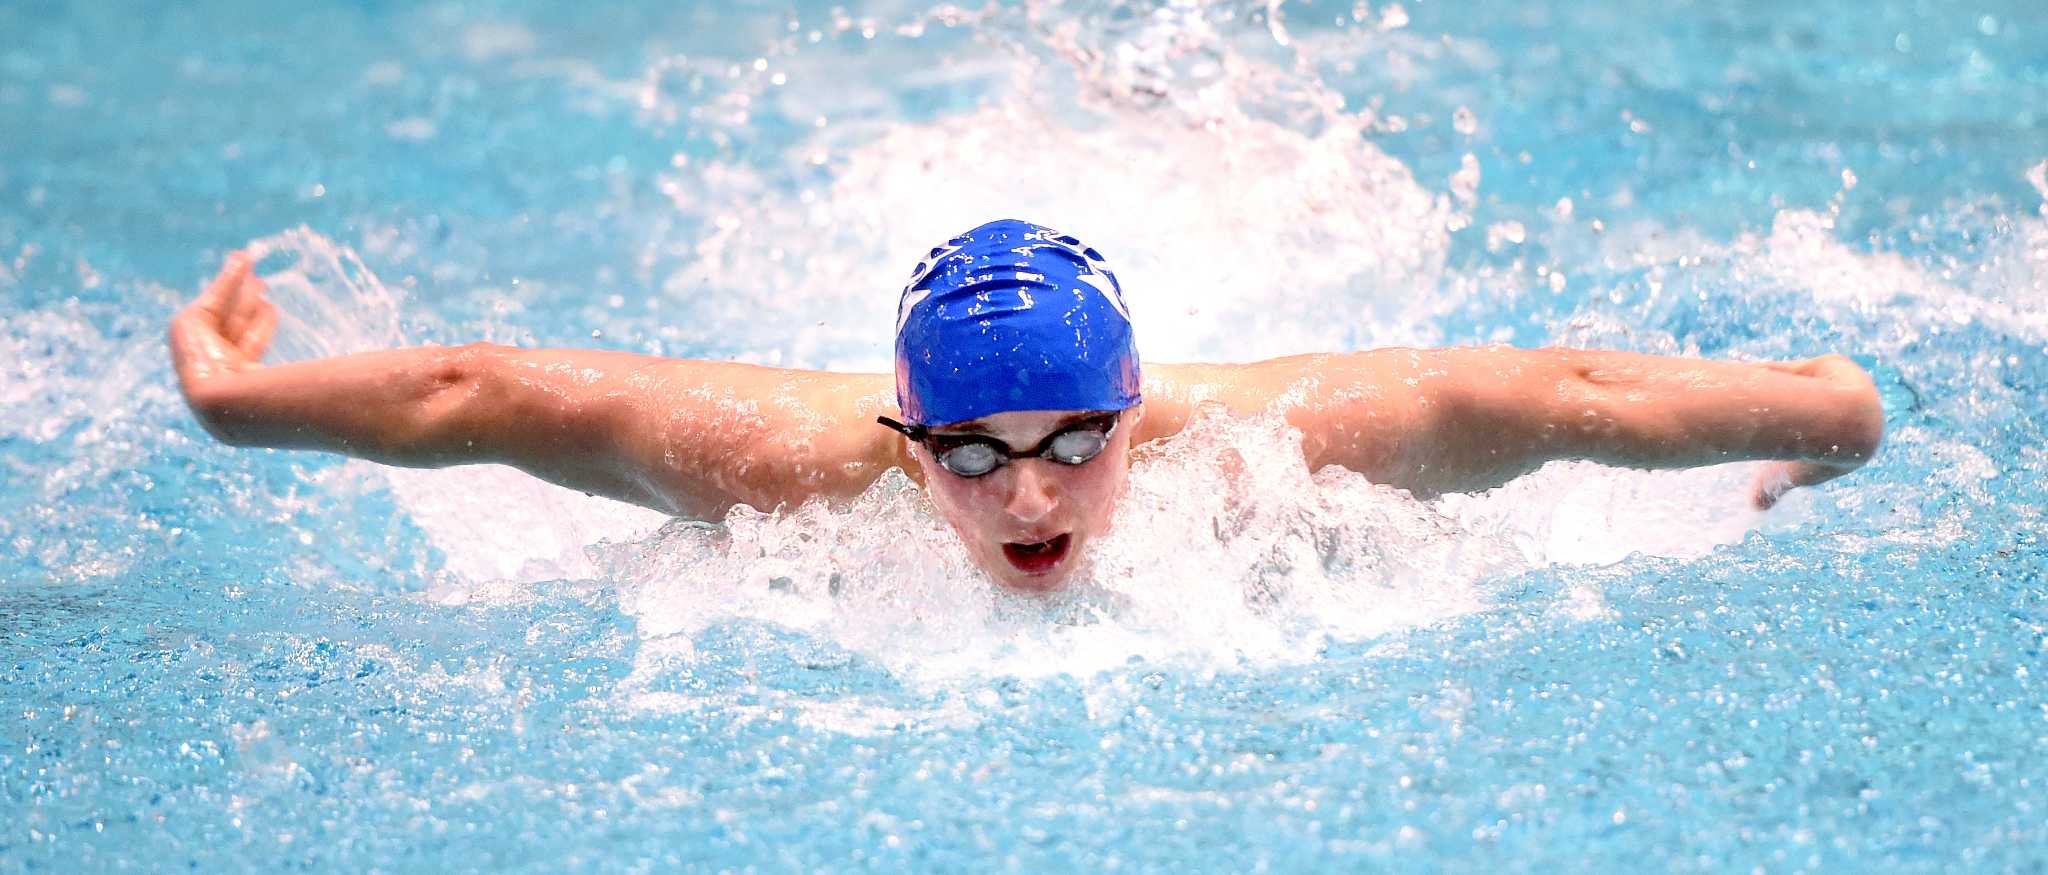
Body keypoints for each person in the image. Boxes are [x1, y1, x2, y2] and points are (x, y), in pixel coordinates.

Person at [170, 219, 1884, 591]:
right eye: (971, 462)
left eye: (1078, 444)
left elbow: (1567, 392)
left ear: (1141, 414)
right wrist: (234, 403)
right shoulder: (790, 464)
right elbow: (486, 392)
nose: (1030, 499)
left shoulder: (1283, 446)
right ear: (903, 441)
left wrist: (1826, 415)